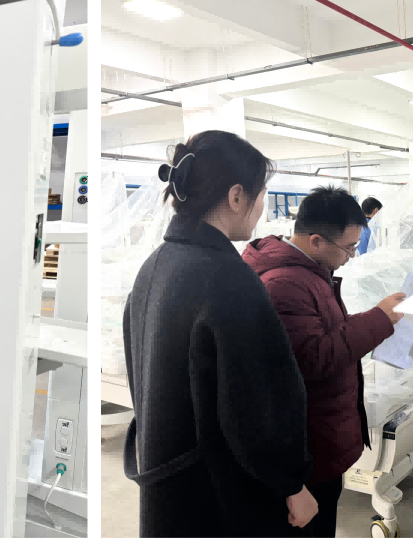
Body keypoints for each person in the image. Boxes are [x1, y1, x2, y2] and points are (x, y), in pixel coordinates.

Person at [122, 130, 316, 536]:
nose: (262, 206)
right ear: (236, 197)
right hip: (220, 498)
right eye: (261, 194)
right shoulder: (229, 280)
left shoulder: (155, 266)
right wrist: (292, 483)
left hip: (167, 486)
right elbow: (256, 407)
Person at [241, 185, 407, 538]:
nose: (351, 256)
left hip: (321, 440)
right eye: (348, 248)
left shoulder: (309, 275)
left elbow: (323, 330)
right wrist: (378, 320)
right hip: (308, 446)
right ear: (316, 241)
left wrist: (376, 315)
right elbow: (313, 359)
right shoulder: (285, 284)